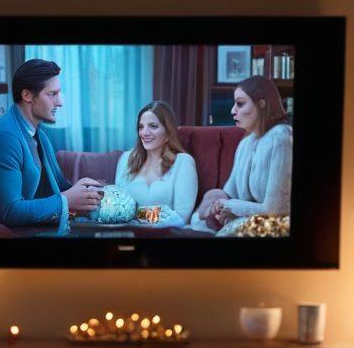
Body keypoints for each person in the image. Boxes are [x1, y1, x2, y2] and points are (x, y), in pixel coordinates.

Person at [0, 58, 104, 232]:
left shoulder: (39, 134)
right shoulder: (4, 137)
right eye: (52, 94)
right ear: (27, 96)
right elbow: (11, 211)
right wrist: (66, 200)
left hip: (33, 227)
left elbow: (59, 186)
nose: (60, 102)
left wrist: (88, 193)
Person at [191, 75, 292, 232]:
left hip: (275, 225)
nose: (233, 111)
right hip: (248, 221)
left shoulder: (281, 136)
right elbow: (229, 193)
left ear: (261, 105)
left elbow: (275, 210)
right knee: (198, 225)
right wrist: (215, 201)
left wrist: (229, 206)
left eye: (240, 104)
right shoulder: (246, 143)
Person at [114, 101, 198, 226]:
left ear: (168, 132)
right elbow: (118, 210)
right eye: (141, 127)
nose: (144, 133)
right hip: (129, 233)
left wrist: (137, 214)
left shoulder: (183, 162)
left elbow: (181, 217)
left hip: (167, 235)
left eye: (153, 126)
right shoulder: (126, 159)